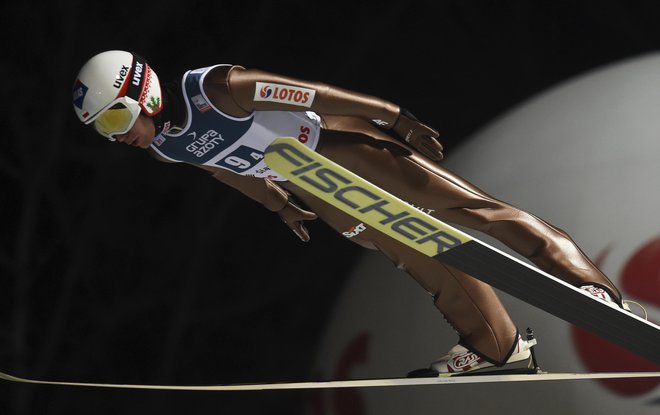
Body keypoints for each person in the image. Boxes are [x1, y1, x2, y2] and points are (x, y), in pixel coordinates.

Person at [72, 50, 627, 374]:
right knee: (420, 252)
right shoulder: (167, 144)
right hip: (317, 187)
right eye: (103, 131)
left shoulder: (213, 90)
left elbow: (309, 94)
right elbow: (222, 166)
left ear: (143, 94)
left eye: (117, 121)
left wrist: (393, 115)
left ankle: (589, 285)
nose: (117, 138)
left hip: (340, 147)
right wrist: (276, 205)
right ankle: (496, 346)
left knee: (472, 212)